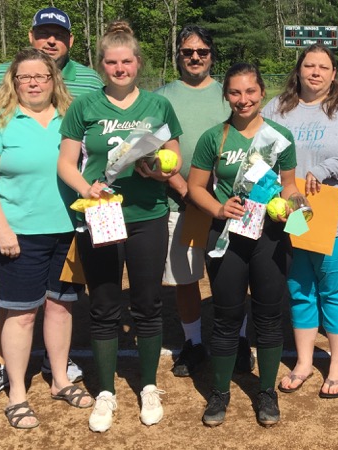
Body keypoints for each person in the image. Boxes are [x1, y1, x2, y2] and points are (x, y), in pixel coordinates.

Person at [0, 6, 101, 407]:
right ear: (15, 81)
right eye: (26, 77)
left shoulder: (69, 119)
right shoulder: (0, 122)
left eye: (41, 76)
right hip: (20, 234)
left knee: (61, 309)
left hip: (67, 229)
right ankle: (17, 393)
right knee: (20, 314)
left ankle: (60, 379)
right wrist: (1, 228)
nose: (34, 83)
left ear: (53, 80)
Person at [57, 20, 182, 433]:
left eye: (126, 61)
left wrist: (160, 171)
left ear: (138, 63)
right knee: (105, 304)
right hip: (102, 214)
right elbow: (65, 162)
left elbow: (173, 157)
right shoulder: (85, 106)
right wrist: (85, 187)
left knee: (148, 304)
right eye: (111, 62)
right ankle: (106, 393)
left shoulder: (158, 106)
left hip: (148, 215)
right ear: (102, 65)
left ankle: (147, 385)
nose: (119, 68)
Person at [264, 43, 338, 399]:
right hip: (294, 218)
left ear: (333, 74)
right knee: (300, 288)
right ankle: (302, 362)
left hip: (337, 217)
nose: (315, 72)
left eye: (323, 67)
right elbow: (258, 154)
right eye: (309, 65)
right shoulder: (277, 109)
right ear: (298, 70)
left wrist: (326, 169)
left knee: (335, 290)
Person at [187, 63, 300, 427]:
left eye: (250, 92)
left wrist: (293, 207)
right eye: (235, 92)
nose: (243, 99)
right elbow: (194, 188)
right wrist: (219, 208)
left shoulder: (279, 137)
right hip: (225, 238)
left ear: (262, 93)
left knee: (269, 317)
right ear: (226, 96)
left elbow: (290, 187)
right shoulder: (212, 138)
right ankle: (220, 392)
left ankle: (266, 391)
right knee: (226, 317)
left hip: (268, 238)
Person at [154, 24, 253, 378]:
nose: (195, 57)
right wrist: (184, 189)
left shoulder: (227, 93)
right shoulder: (162, 96)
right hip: (180, 201)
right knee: (186, 277)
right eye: (187, 52)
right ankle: (193, 343)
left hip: (230, 204)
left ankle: (239, 339)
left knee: (233, 275)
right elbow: (152, 149)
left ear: (212, 55)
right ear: (178, 54)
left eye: (202, 52)